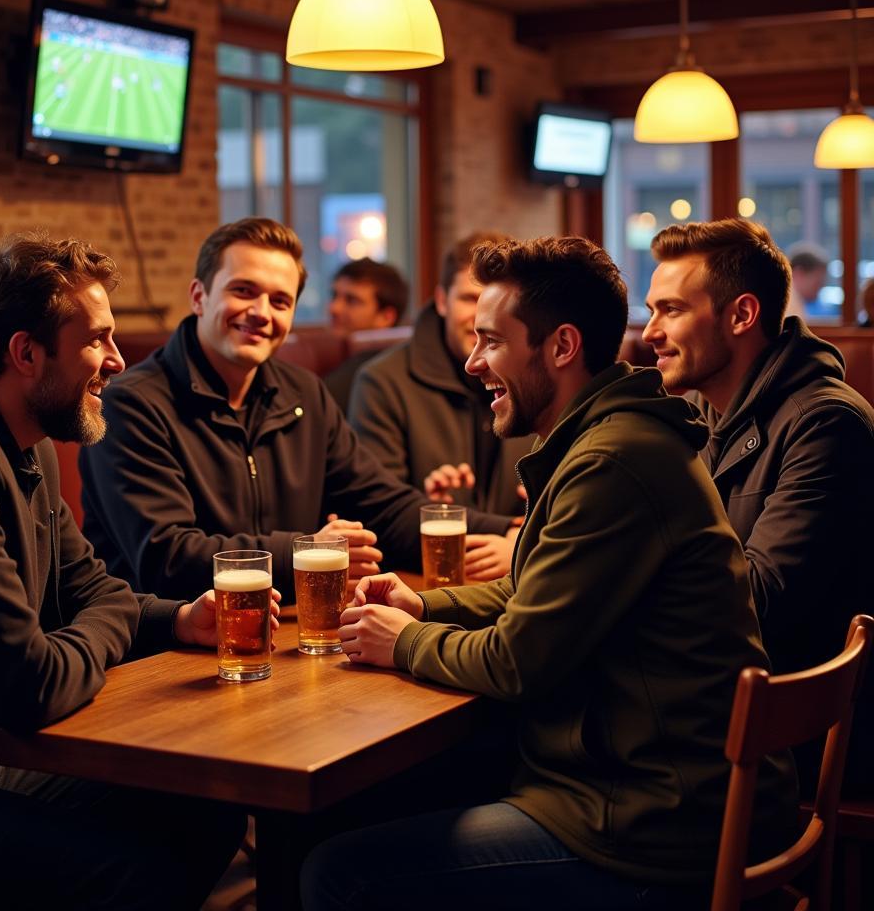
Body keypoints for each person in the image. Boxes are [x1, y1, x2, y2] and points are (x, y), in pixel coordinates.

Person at [302, 236, 796, 910]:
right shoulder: (606, 439)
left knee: (339, 871)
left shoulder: (612, 461)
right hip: (653, 786)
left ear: (561, 347)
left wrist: (403, 642)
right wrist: (427, 610)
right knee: (359, 804)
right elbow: (536, 591)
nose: (474, 363)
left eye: (492, 342)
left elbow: (516, 663)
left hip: (654, 826)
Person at [0, 235, 262, 909]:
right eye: (97, 340)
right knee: (136, 875)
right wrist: (112, 621)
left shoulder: (19, 437)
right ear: (25, 353)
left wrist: (182, 618)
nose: (118, 360)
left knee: (208, 805)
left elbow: (90, 588)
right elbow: (30, 687)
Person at [79, 217, 512, 602]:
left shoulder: (303, 393)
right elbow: (166, 557)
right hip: (160, 655)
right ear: (199, 295)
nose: (261, 313)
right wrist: (308, 550)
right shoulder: (131, 405)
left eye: (280, 301)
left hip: (285, 632)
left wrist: (511, 531)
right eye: (243, 291)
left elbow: (384, 505)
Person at [644, 217, 874, 793]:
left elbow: (760, 602)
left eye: (670, 310)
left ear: (741, 315)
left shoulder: (825, 423)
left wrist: (615, 567)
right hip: (723, 720)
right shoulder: (707, 417)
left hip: (790, 756)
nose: (649, 331)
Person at [349, 232, 529, 581]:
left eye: (498, 302)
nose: (482, 318)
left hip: (517, 583)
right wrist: (513, 534)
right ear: (442, 300)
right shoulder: (382, 382)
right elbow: (378, 515)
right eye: (469, 298)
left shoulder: (536, 380)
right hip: (417, 585)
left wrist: (524, 541)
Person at [325, 257, 409, 410]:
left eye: (351, 300)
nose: (334, 308)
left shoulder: (374, 377)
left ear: (386, 317)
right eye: (334, 296)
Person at [785, 240, 832, 320]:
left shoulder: (796, 301)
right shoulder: (787, 304)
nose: (820, 288)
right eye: (818, 283)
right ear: (799, 273)